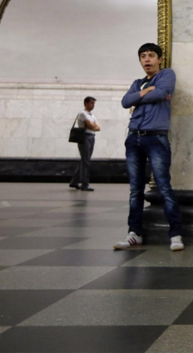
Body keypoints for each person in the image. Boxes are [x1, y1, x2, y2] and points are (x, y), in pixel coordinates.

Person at [114, 43, 184, 252]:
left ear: (159, 59)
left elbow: (161, 94)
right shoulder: (138, 82)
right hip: (134, 138)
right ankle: (134, 233)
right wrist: (145, 93)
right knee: (135, 190)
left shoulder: (166, 75)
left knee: (164, 187)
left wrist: (145, 94)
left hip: (156, 139)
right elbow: (126, 102)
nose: (147, 60)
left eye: (151, 56)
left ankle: (175, 234)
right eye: (143, 56)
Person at [69, 96, 99, 191]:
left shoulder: (92, 115)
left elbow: (97, 127)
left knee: (84, 160)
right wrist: (93, 126)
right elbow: (91, 126)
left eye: (94, 103)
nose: (93, 105)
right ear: (86, 103)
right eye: (91, 103)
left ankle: (74, 181)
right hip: (85, 137)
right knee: (86, 161)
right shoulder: (83, 113)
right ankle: (84, 184)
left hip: (91, 136)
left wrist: (93, 126)